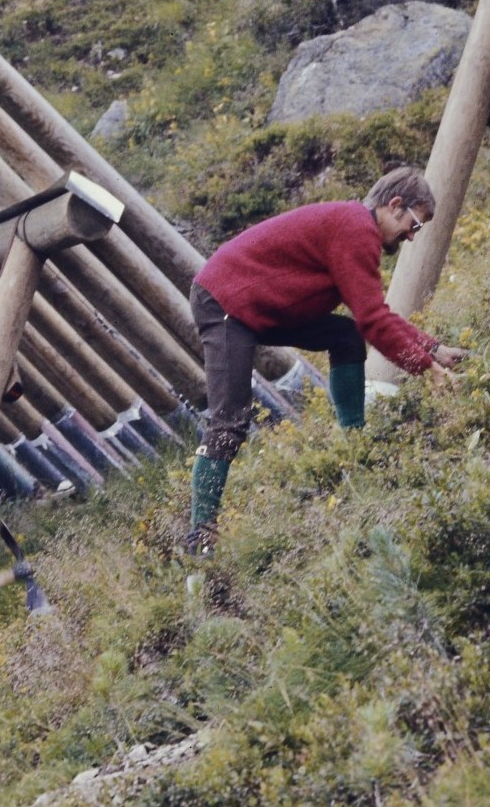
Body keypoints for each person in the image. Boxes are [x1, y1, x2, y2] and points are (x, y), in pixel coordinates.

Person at [185, 166, 468, 554]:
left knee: (345, 335)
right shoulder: (355, 230)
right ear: (395, 205)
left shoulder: (355, 228)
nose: (413, 237)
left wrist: (433, 349)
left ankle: (353, 446)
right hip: (225, 304)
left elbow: (372, 315)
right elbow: (374, 319)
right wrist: (426, 369)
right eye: (414, 225)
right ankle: (199, 537)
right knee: (230, 420)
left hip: (263, 307)